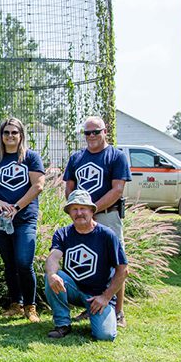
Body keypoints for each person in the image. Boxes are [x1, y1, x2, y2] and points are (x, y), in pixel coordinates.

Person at [63, 116, 131, 327]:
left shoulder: (116, 157)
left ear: (105, 131)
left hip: (108, 215)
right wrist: (78, 210)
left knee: (115, 261)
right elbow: (69, 188)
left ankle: (118, 312)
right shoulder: (76, 158)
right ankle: (90, 306)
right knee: (90, 263)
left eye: (96, 131)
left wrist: (91, 210)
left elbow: (117, 190)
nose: (91, 136)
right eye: (87, 133)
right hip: (82, 218)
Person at [0, 118, 45, 322]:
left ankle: (30, 306)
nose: (10, 136)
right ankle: (15, 304)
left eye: (14, 133)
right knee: (9, 263)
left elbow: (38, 186)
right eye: (6, 133)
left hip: (25, 218)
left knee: (24, 262)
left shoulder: (31, 158)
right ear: (1, 136)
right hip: (0, 219)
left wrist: (16, 207)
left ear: (21, 135)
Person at [44, 190, 128, 341]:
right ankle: (62, 324)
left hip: (98, 295)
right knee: (53, 276)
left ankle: (102, 316)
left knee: (106, 335)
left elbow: (123, 270)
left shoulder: (107, 235)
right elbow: (53, 258)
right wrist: (51, 275)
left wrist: (106, 296)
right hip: (74, 289)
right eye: (74, 209)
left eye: (83, 208)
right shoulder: (63, 234)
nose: (79, 213)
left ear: (91, 210)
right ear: (69, 212)